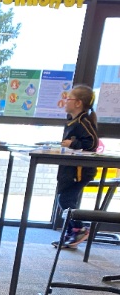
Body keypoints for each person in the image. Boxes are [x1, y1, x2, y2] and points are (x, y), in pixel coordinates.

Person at [52, 84, 99, 249]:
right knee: (63, 198)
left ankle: (80, 229)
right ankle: (72, 232)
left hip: (80, 172)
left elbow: (92, 143)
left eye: (68, 98)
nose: (65, 101)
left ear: (78, 103)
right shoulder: (71, 120)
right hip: (68, 169)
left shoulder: (83, 122)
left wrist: (73, 143)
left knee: (66, 199)